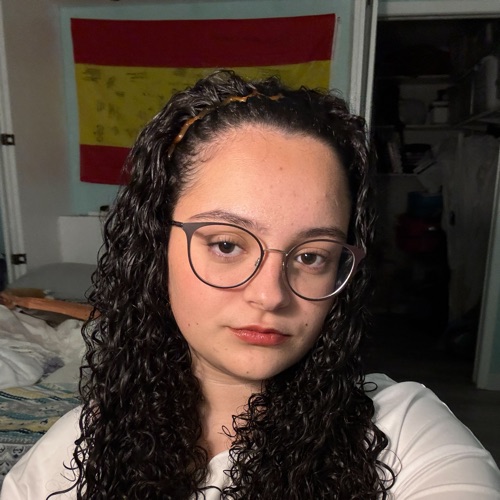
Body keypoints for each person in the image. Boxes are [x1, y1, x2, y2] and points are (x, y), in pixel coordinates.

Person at [2, 70, 499, 499]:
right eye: (226, 245)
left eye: (311, 256)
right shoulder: (75, 451)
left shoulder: (405, 433)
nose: (270, 295)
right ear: (156, 247)